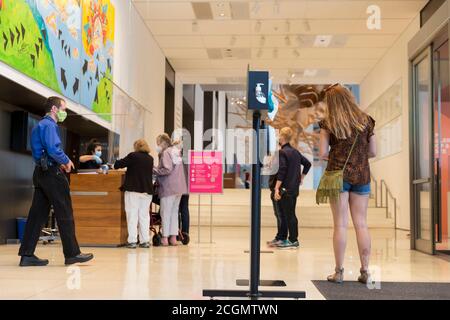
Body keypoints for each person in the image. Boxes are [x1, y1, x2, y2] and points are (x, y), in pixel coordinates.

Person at [18, 96, 93, 266]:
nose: (64, 113)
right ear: (54, 109)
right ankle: (72, 253)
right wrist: (66, 161)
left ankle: (27, 254)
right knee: (64, 210)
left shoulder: (38, 126)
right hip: (52, 173)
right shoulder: (50, 125)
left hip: (39, 172)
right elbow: (53, 148)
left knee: (36, 215)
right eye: (63, 109)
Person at [318, 84, 377, 284]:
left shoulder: (328, 123)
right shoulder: (367, 121)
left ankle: (339, 272)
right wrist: (358, 158)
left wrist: (336, 155)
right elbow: (373, 152)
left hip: (337, 175)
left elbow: (322, 153)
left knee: (340, 224)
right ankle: (365, 271)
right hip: (362, 175)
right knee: (361, 224)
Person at [273, 127, 311, 249]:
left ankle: (293, 240)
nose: (278, 138)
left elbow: (282, 171)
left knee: (289, 215)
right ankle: (289, 239)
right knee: (290, 214)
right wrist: (302, 177)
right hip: (294, 189)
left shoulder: (283, 152)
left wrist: (276, 188)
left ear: (283, 138)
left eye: (279, 136)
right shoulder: (295, 152)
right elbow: (307, 164)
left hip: (286, 189)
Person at [114, 139, 154, 248]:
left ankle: (132, 241)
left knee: (132, 215)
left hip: (133, 190)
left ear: (136, 146)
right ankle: (144, 240)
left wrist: (116, 156)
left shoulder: (133, 156)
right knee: (144, 216)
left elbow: (118, 165)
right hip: (147, 191)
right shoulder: (150, 158)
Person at [153, 134, 187, 246]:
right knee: (174, 213)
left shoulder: (166, 152)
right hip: (179, 187)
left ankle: (165, 238)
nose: (157, 146)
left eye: (158, 143)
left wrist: (154, 170)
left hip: (169, 187)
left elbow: (167, 169)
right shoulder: (176, 151)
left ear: (163, 143)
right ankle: (173, 237)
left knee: (165, 213)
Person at [266, 150, 286, 247]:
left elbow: (281, 176)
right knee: (278, 215)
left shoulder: (279, 165)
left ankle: (281, 238)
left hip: (277, 191)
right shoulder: (274, 165)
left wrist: (277, 189)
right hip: (273, 191)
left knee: (281, 215)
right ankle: (279, 237)